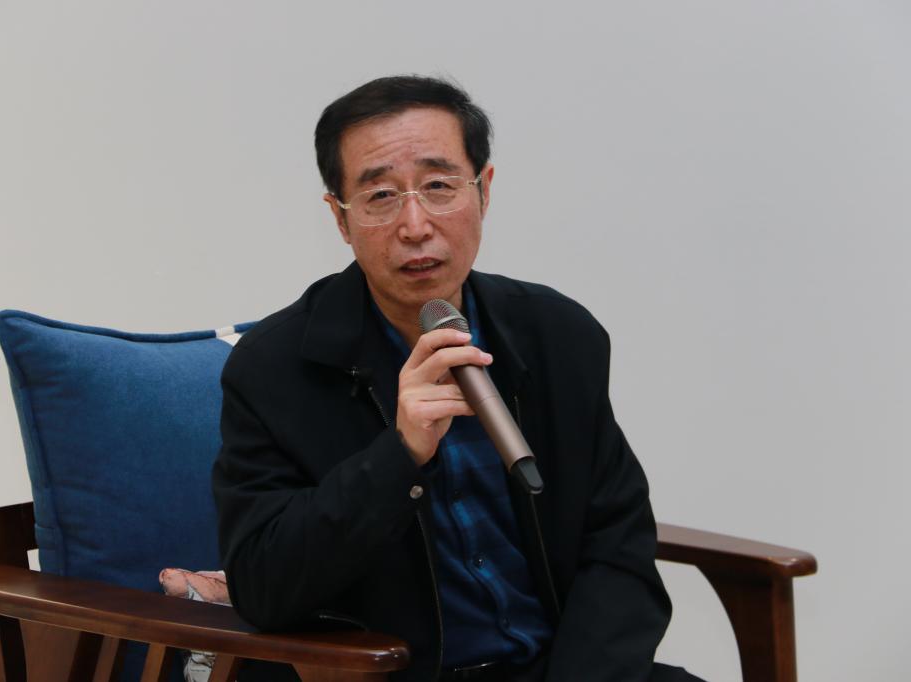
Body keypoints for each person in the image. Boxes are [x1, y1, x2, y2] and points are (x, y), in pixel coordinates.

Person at [212, 75, 702, 682]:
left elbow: (616, 545)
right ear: (340, 218)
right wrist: (398, 456)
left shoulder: (559, 336)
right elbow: (263, 588)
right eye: (381, 196)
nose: (415, 225)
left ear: (484, 191)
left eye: (439, 187)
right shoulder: (274, 368)